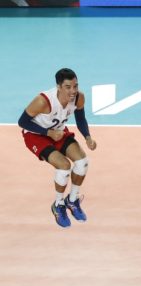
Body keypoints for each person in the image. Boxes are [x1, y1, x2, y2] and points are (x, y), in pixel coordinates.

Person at [18, 68, 97, 228]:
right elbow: (22, 122)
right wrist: (47, 132)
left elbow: (80, 118)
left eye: (75, 86)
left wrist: (87, 137)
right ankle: (58, 204)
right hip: (36, 135)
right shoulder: (43, 101)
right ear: (59, 87)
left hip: (58, 132)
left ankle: (72, 200)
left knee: (82, 162)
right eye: (68, 87)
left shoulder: (79, 98)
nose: (73, 90)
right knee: (64, 166)